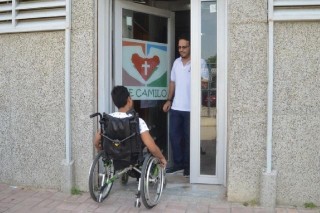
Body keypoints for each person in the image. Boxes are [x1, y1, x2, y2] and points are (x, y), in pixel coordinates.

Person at [163, 34, 208, 177]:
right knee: (175, 138)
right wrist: (169, 100)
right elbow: (172, 83)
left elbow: (205, 82)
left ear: (190, 47)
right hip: (176, 107)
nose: (181, 49)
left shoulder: (199, 62)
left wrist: (197, 77)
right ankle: (178, 164)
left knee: (189, 139)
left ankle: (189, 167)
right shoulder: (176, 62)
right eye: (179, 47)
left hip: (191, 109)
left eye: (184, 47)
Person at [93, 85, 167, 168]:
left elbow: (96, 141)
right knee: (151, 141)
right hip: (132, 157)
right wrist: (161, 157)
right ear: (129, 100)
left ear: (114, 102)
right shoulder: (137, 121)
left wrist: (101, 150)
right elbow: (150, 145)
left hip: (113, 155)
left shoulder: (108, 119)